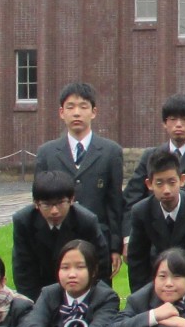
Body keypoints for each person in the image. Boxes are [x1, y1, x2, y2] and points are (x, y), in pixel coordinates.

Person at [32, 82, 126, 278]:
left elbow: (115, 202)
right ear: (61, 112)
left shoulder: (111, 152)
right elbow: (39, 202)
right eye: (70, 107)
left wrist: (115, 246)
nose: (77, 113)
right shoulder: (47, 153)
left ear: (93, 112)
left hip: (97, 240)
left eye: (83, 107)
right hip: (57, 241)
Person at [124, 147, 185, 301]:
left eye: (171, 182)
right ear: (149, 184)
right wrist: (145, 299)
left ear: (182, 180)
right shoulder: (141, 212)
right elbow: (137, 261)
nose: (166, 190)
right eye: (159, 183)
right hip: (157, 283)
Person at [11, 169, 105, 303]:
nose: (54, 211)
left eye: (60, 203)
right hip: (40, 288)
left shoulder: (87, 221)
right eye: (47, 205)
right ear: (36, 203)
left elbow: (99, 266)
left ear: (72, 200)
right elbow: (23, 269)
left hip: (80, 290)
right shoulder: (24, 221)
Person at [122, 93, 185, 209]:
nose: (178, 124)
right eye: (173, 119)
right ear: (164, 123)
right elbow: (132, 199)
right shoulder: (150, 156)